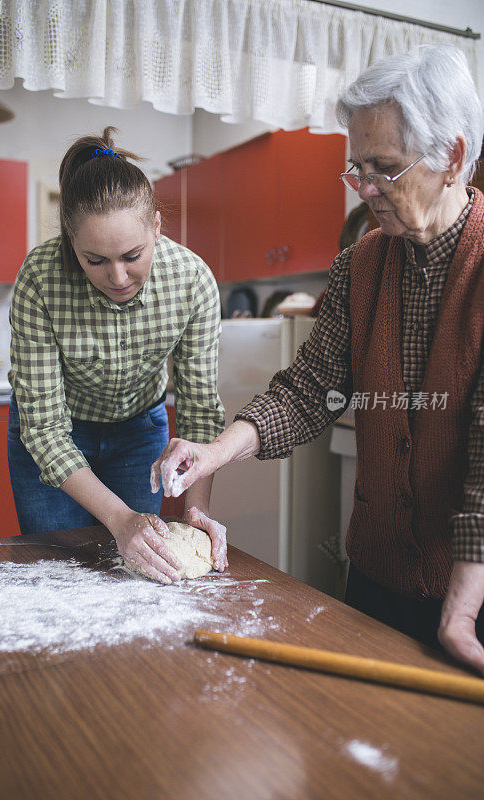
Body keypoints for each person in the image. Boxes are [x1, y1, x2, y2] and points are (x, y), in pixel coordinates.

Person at [151, 45, 484, 674]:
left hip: (474, 590)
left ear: (453, 158)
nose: (363, 188)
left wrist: (463, 604)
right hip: (377, 579)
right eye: (355, 166)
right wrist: (217, 451)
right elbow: (307, 390)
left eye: (384, 166)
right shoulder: (361, 267)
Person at [8, 127, 227, 583]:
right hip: (55, 435)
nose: (119, 276)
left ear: (157, 227)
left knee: (132, 574)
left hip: (138, 433)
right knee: (58, 574)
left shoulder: (192, 282)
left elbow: (200, 412)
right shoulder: (40, 279)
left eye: (133, 254)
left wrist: (197, 507)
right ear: (71, 242)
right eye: (95, 260)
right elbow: (44, 428)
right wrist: (118, 517)